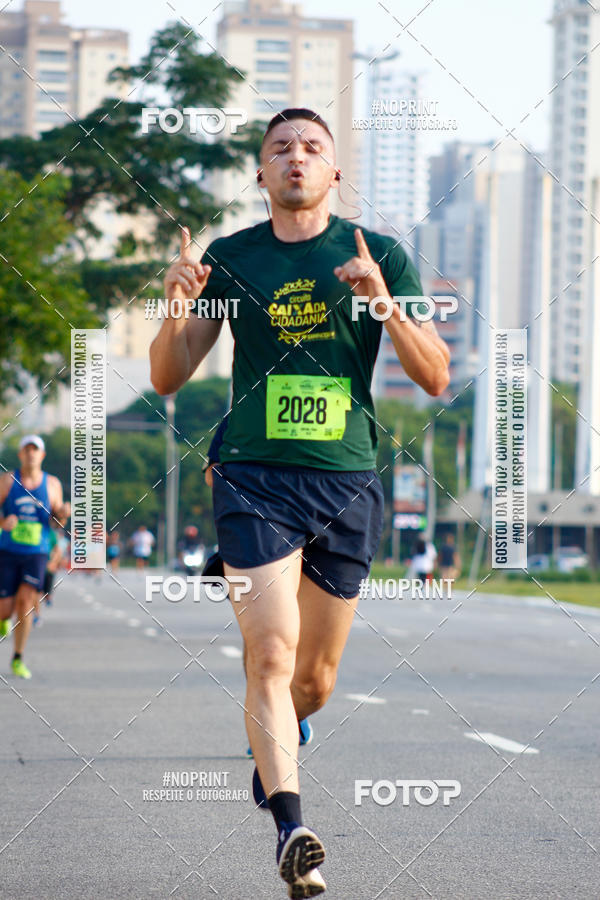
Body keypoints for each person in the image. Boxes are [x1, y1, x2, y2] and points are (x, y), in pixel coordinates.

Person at [150, 108, 450, 897]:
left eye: (312, 148)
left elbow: (435, 375)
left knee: (312, 681)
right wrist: (176, 303)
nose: (295, 158)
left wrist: (382, 299)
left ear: (334, 172)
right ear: (261, 172)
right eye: (279, 148)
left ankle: (282, 739)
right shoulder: (230, 257)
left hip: (345, 479)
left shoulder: (376, 254)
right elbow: (169, 375)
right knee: (270, 654)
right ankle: (292, 825)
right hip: (254, 474)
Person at [0, 435, 70, 678]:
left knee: (26, 603)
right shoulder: (8, 481)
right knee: (5, 608)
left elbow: (57, 522)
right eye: (26, 450)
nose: (31, 454)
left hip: (36, 552)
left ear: (42, 455)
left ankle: (17, 657)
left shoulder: (52, 485)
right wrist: (3, 521)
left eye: (35, 450)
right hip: (7, 551)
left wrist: (63, 513)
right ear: (20, 454)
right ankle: (3, 619)